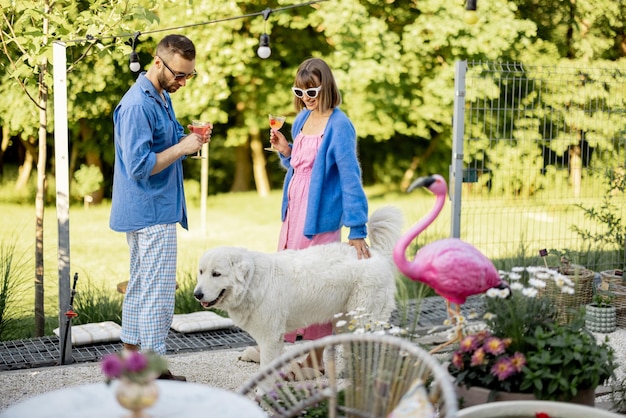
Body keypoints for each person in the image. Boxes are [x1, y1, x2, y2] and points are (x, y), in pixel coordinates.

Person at [251, 57, 370, 373]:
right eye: (300, 91)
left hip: (320, 215)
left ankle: (317, 360)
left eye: (312, 92)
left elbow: (350, 177)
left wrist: (357, 228)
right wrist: (285, 150)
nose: (305, 98)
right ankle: (274, 342)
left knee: (317, 286)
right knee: (286, 278)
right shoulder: (302, 119)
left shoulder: (340, 126)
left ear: (327, 87)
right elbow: (299, 167)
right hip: (294, 213)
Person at [110, 34, 210, 381]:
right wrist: (183, 149)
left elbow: (167, 142)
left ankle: (131, 366)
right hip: (151, 211)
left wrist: (189, 141)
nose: (182, 82)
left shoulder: (160, 96)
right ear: (157, 62)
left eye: (188, 76)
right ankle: (152, 374)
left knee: (140, 288)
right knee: (157, 295)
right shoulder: (138, 105)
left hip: (151, 209)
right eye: (179, 74)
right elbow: (140, 166)